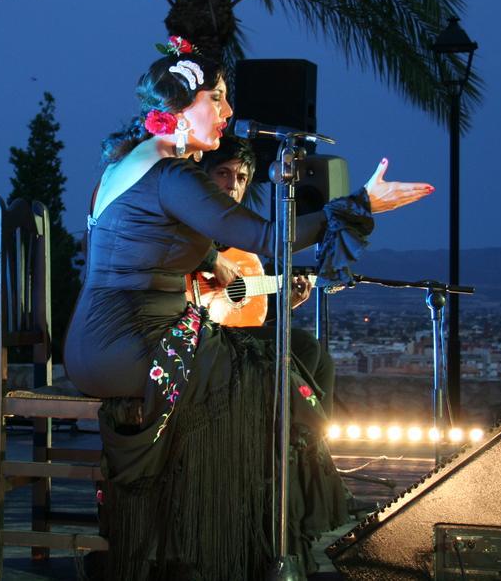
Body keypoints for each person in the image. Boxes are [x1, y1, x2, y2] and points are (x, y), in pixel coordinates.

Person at [63, 36, 432, 579]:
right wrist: (361, 204)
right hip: (129, 345)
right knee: (265, 377)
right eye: (216, 97)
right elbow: (264, 235)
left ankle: (233, 533)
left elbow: (143, 232)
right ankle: (231, 540)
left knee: (275, 364)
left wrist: (211, 256)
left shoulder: (136, 162)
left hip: (104, 341)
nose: (229, 111)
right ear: (178, 109)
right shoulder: (172, 175)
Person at [195, 135, 336, 414]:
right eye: (223, 173)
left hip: (228, 333)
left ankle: (312, 438)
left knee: (324, 362)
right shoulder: (188, 221)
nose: (232, 185)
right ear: (203, 176)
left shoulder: (239, 242)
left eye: (241, 177)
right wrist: (212, 260)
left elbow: (240, 311)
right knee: (305, 345)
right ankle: (284, 431)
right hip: (198, 336)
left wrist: (285, 305)